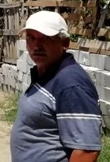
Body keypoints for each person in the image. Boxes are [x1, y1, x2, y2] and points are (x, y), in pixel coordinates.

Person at [10, 11, 102, 161]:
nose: (36, 45)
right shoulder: (48, 74)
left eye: (46, 38)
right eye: (31, 38)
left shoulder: (71, 84)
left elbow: (86, 150)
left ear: (65, 43)